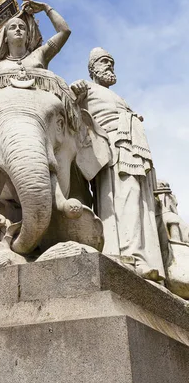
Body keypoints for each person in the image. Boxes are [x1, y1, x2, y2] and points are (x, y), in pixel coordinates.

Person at [70, 48, 165, 281]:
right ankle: (128, 253)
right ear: (92, 68)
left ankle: (144, 257)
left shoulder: (117, 97)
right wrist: (76, 93)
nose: (109, 66)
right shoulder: (87, 87)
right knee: (124, 198)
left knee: (142, 203)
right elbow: (70, 109)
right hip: (112, 148)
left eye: (111, 62)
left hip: (133, 149)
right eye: (104, 62)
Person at [0, 0, 71, 92]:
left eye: (22, 27)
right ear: (5, 38)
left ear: (28, 37)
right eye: (12, 27)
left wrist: (45, 7)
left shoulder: (39, 55)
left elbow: (64, 31)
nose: (18, 29)